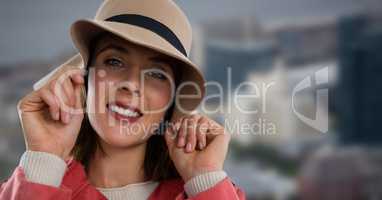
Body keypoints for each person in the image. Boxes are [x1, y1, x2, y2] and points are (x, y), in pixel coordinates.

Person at [0, 0, 245, 199]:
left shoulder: (210, 193)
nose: (131, 83)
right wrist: (44, 159)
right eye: (114, 61)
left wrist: (204, 177)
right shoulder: (28, 186)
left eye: (157, 74)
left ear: (172, 100)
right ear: (85, 79)